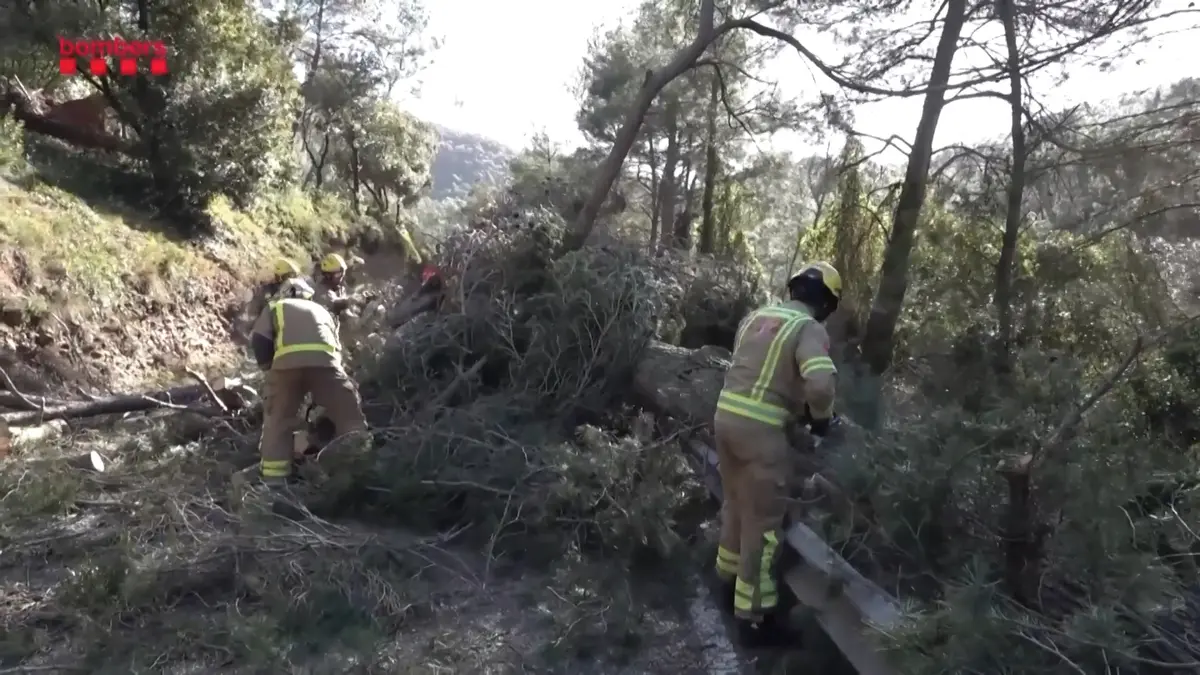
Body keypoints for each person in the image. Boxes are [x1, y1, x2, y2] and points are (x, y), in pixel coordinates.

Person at [712, 261, 841, 643]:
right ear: (828, 304)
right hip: (761, 436)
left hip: (724, 420)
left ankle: (725, 583)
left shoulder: (757, 317)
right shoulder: (809, 328)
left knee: (735, 506)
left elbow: (753, 371)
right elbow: (819, 386)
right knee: (763, 526)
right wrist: (821, 420)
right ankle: (755, 618)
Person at [249, 277, 367, 484]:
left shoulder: (275, 306)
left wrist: (268, 366)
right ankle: (362, 465)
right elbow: (335, 345)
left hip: (286, 368)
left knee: (278, 422)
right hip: (327, 365)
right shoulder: (322, 311)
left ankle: (274, 483)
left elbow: (259, 339)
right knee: (348, 415)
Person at [241, 258, 302, 335]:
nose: (292, 279)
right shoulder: (266, 290)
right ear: (282, 276)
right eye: (290, 276)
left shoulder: (296, 292)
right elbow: (252, 313)